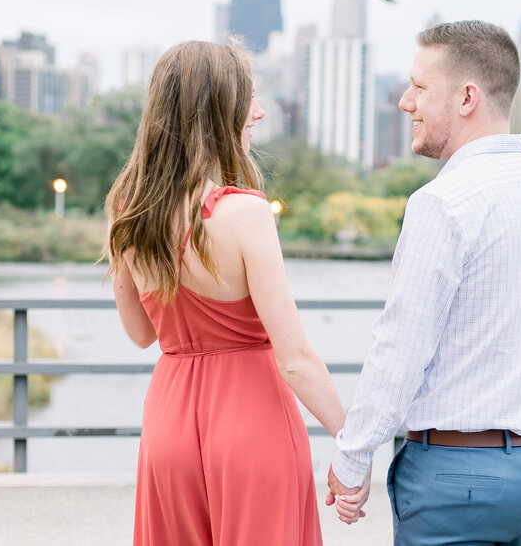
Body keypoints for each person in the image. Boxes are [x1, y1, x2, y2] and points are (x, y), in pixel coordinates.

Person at [327, 21, 521, 545]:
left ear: (467, 97)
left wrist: (353, 455)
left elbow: (400, 347)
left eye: (420, 87)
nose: (406, 102)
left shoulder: (441, 203)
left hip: (455, 478)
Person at [104, 40, 348, 546]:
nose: (257, 112)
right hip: (252, 422)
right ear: (217, 110)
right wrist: (354, 442)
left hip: (169, 423)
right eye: (248, 99)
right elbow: (296, 357)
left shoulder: (127, 209)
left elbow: (140, 334)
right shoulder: (245, 213)